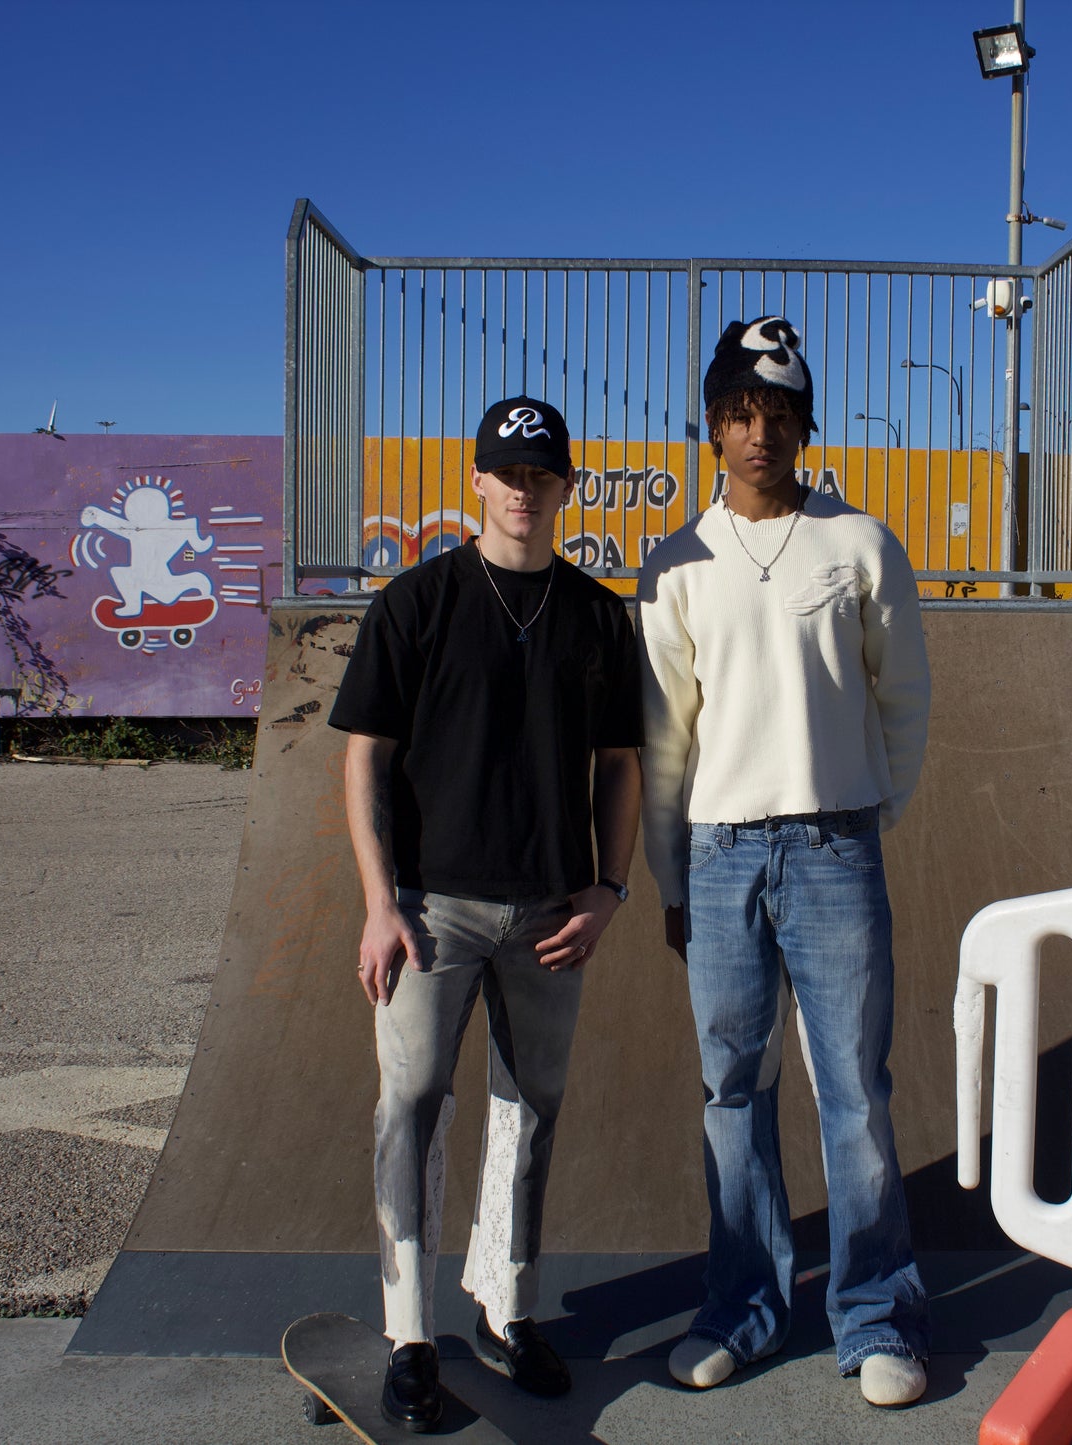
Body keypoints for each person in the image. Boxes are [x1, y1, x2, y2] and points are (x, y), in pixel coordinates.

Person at [329, 395, 643, 1432]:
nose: (523, 489)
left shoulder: (598, 614)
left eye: (542, 473)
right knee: (412, 1103)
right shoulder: (415, 603)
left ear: (565, 486)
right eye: (506, 472)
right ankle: (409, 1329)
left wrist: (608, 887)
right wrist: (379, 903)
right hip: (432, 907)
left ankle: (505, 1306)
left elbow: (619, 765)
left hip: (551, 911)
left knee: (528, 1109)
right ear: (475, 480)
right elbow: (364, 754)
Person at [636, 317, 932, 1407]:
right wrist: (671, 879)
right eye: (738, 413)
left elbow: (902, 697)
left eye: (778, 414)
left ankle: (875, 1316)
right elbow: (666, 738)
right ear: (712, 424)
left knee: (852, 1089)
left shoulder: (858, 543)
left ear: (805, 423)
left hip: (832, 846)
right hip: (717, 862)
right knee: (731, 1089)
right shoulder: (673, 565)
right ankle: (742, 1307)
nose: (758, 433)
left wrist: (864, 809)